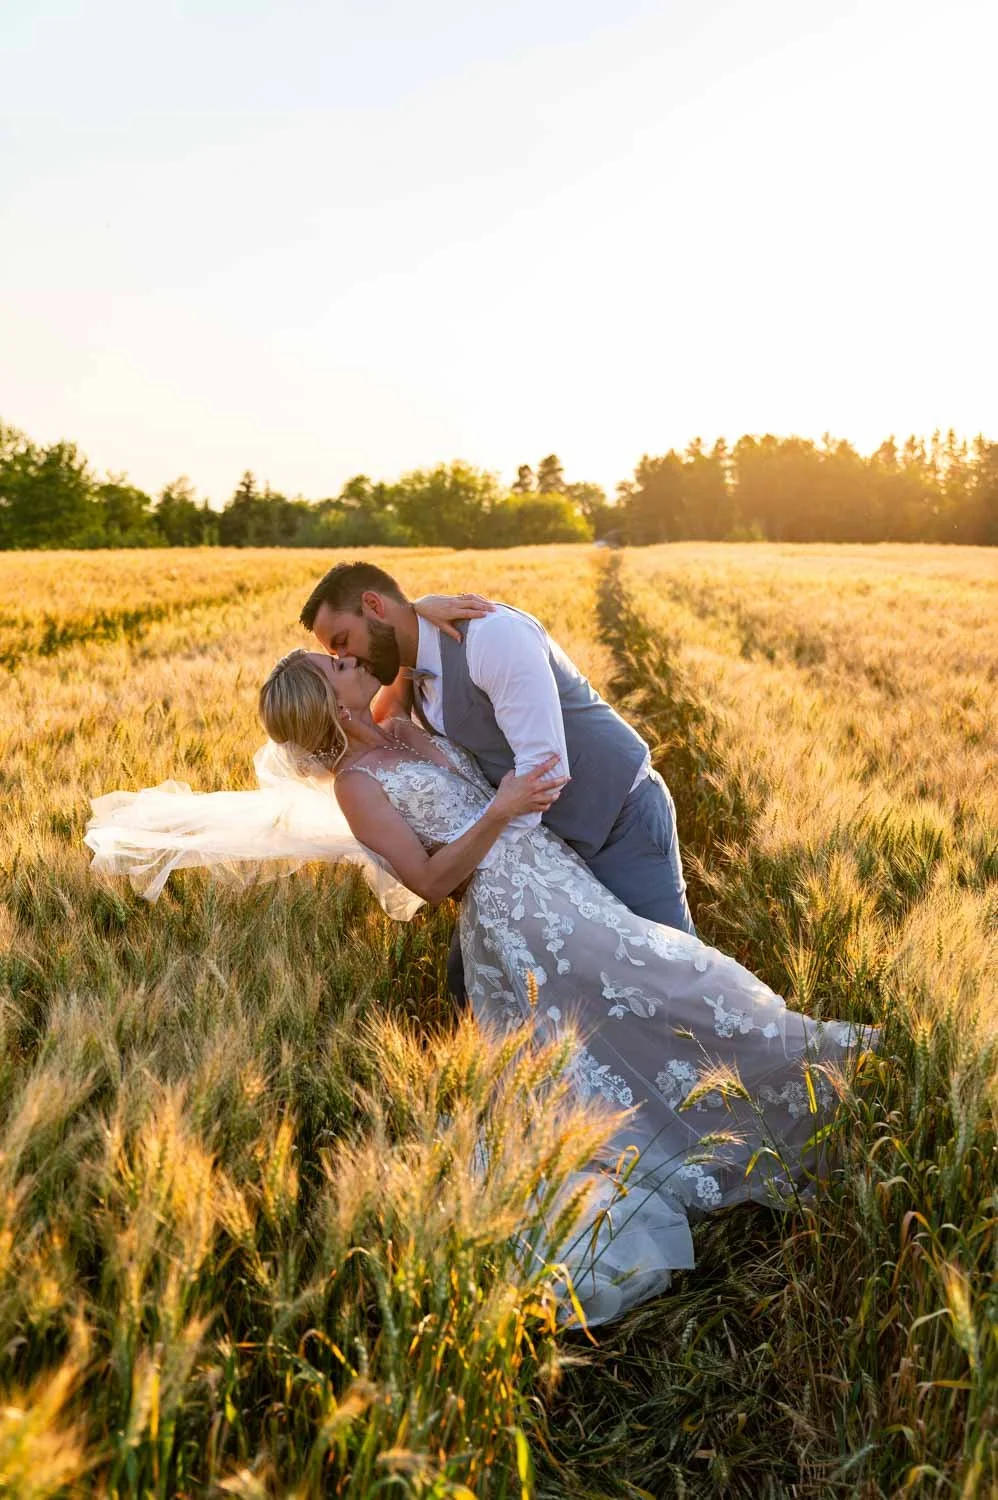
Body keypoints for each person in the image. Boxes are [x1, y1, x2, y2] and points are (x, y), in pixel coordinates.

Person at [247, 648, 877, 1325]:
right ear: (335, 708)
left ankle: (816, 1084)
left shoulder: (396, 722)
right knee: (676, 981)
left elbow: (404, 646)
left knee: (654, 993)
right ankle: (816, 1072)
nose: (349, 657)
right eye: (335, 666)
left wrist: (429, 606)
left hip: (557, 877)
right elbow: (429, 884)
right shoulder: (357, 784)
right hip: (515, 913)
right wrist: (501, 807)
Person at [299, 562, 696, 1003]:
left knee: (674, 975)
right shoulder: (406, 670)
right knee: (477, 988)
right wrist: (417, 609)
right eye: (337, 660)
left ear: (374, 606)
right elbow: (363, 737)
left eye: (342, 643)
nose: (348, 660)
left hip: (618, 820)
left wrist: (481, 870)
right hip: (545, 845)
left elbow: (544, 770)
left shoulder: (491, 638)